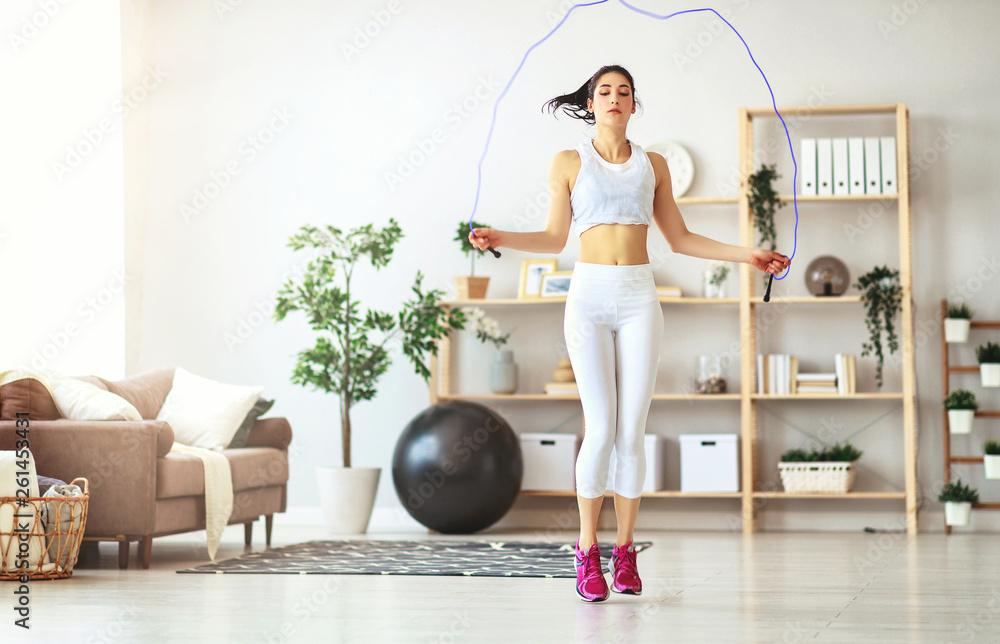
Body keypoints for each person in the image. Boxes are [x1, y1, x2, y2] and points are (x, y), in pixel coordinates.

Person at [468, 64, 790, 602]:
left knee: (631, 432)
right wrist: (500, 234)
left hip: (641, 296)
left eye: (624, 92)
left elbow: (681, 238)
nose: (614, 98)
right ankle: (587, 550)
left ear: (635, 106)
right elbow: (553, 239)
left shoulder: (653, 164)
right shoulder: (569, 161)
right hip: (588, 297)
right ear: (590, 104)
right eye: (604, 91)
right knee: (599, 429)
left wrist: (748, 255)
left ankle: (625, 551)